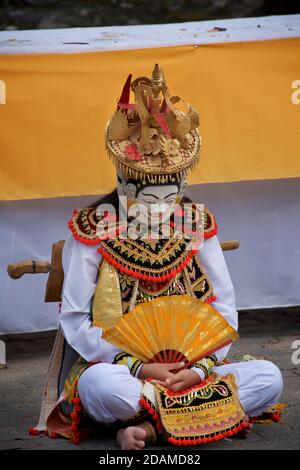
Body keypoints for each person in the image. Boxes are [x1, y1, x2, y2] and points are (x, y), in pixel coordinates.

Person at [35, 64, 283, 449]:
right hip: (123, 371)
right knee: (103, 387)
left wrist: (199, 370)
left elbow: (225, 308)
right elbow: (75, 319)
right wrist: (140, 366)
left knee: (269, 378)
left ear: (183, 185)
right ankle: (207, 416)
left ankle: (149, 429)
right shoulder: (92, 231)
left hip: (192, 371)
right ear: (123, 183)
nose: (159, 211)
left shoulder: (197, 224)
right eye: (146, 200)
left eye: (170, 198)